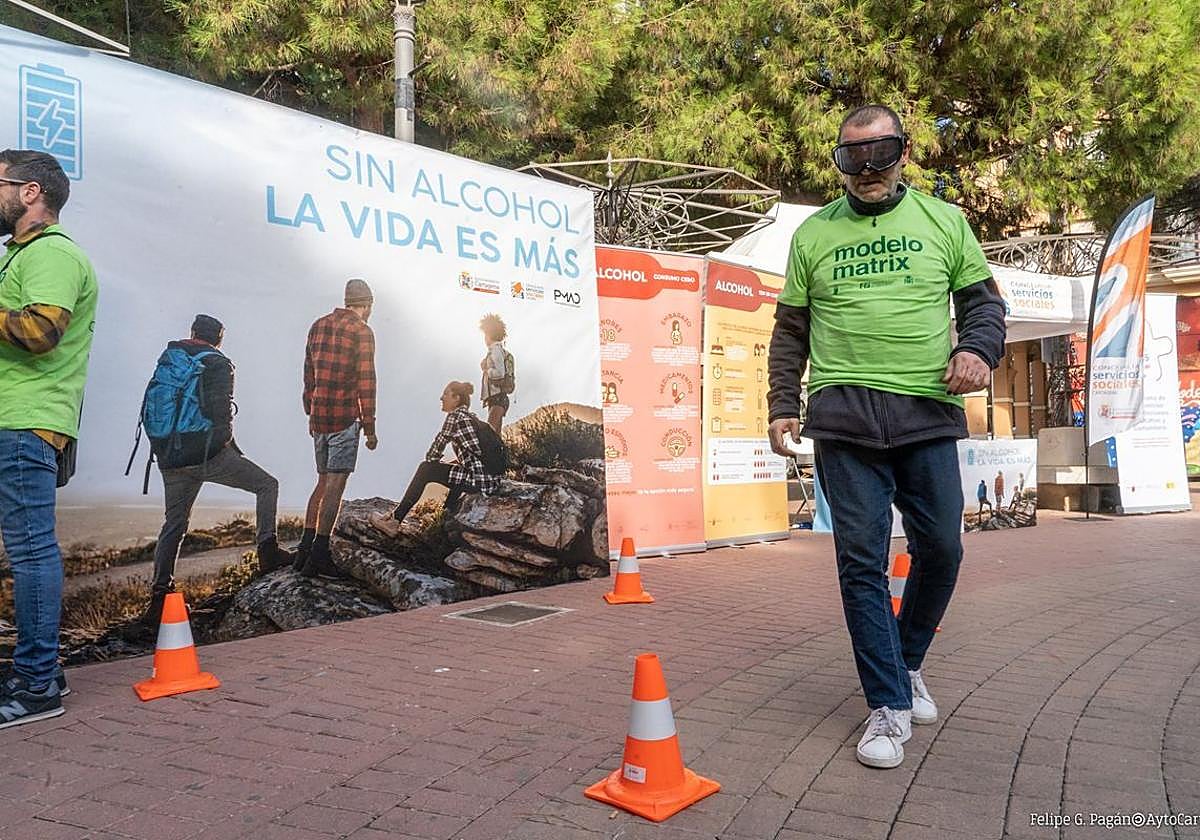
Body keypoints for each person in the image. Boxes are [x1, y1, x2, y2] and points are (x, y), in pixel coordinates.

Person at [766, 105, 1006, 769]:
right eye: (853, 157)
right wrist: (782, 401)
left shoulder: (944, 221)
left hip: (926, 410)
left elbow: (984, 306)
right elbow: (790, 331)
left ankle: (907, 662)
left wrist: (980, 351)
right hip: (843, 416)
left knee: (942, 549)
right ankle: (887, 706)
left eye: (881, 153)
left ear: (904, 154)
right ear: (838, 162)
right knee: (861, 563)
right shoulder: (813, 234)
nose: (868, 170)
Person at [0, 150, 98, 728]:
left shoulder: (54, 255)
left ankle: (38, 686)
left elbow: (39, 331)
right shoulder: (22, 257)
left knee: (33, 552)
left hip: (24, 422)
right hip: (17, 420)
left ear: (30, 191)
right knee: (27, 551)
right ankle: (38, 673)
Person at [141, 315, 294, 630]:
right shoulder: (218, 363)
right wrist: (226, 444)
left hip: (169, 456)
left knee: (174, 524)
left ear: (193, 333)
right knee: (267, 485)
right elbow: (219, 411)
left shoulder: (172, 358)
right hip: (206, 453)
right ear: (219, 338)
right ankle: (268, 551)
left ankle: (160, 595)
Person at [298, 279, 378, 578]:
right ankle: (319, 555)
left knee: (321, 482)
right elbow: (366, 381)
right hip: (344, 417)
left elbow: (308, 375)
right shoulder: (362, 331)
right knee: (335, 486)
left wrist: (311, 409)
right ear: (367, 305)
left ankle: (303, 550)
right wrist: (369, 427)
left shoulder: (317, 326)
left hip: (319, 417)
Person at [369, 381, 501, 537]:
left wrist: (437, 463)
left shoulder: (455, 417)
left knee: (426, 468)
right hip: (491, 480)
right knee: (456, 474)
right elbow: (475, 457)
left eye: (445, 394)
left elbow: (432, 455)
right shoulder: (471, 418)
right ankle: (445, 523)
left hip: (481, 481)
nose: (441, 398)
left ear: (456, 398)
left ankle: (395, 520)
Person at [479, 313, 513, 434]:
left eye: (485, 335)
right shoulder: (497, 350)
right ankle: (501, 453)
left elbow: (499, 373)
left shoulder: (495, 350)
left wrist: (486, 369)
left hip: (497, 398)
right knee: (495, 437)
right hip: (497, 398)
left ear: (489, 334)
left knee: (489, 435)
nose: (484, 338)